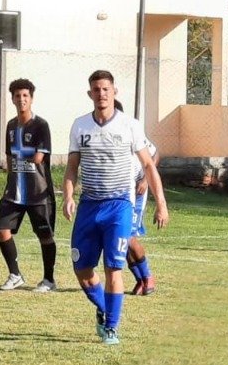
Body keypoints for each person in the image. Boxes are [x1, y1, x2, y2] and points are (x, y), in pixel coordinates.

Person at [62, 71, 168, 345]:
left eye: (106, 89)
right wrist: (69, 196)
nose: (102, 94)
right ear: (90, 94)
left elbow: (148, 165)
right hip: (89, 205)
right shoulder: (80, 126)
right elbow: (72, 167)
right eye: (96, 90)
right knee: (82, 271)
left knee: (113, 268)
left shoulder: (129, 125)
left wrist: (161, 204)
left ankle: (111, 327)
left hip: (119, 205)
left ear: (114, 91)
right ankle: (104, 308)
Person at [0, 78, 57, 292]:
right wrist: (9, 181)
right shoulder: (11, 126)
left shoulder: (41, 125)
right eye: (17, 96)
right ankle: (15, 274)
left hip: (38, 192)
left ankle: (49, 279)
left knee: (45, 235)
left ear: (31, 99)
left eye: (25, 96)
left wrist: (23, 160)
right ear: (12, 99)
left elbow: (39, 158)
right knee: (2, 228)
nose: (21, 99)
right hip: (14, 192)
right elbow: (10, 157)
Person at [127, 133, 166, 296]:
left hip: (137, 193)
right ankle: (140, 279)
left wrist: (145, 180)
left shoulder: (130, 131)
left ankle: (147, 276)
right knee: (119, 242)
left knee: (128, 237)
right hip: (119, 194)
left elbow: (155, 154)